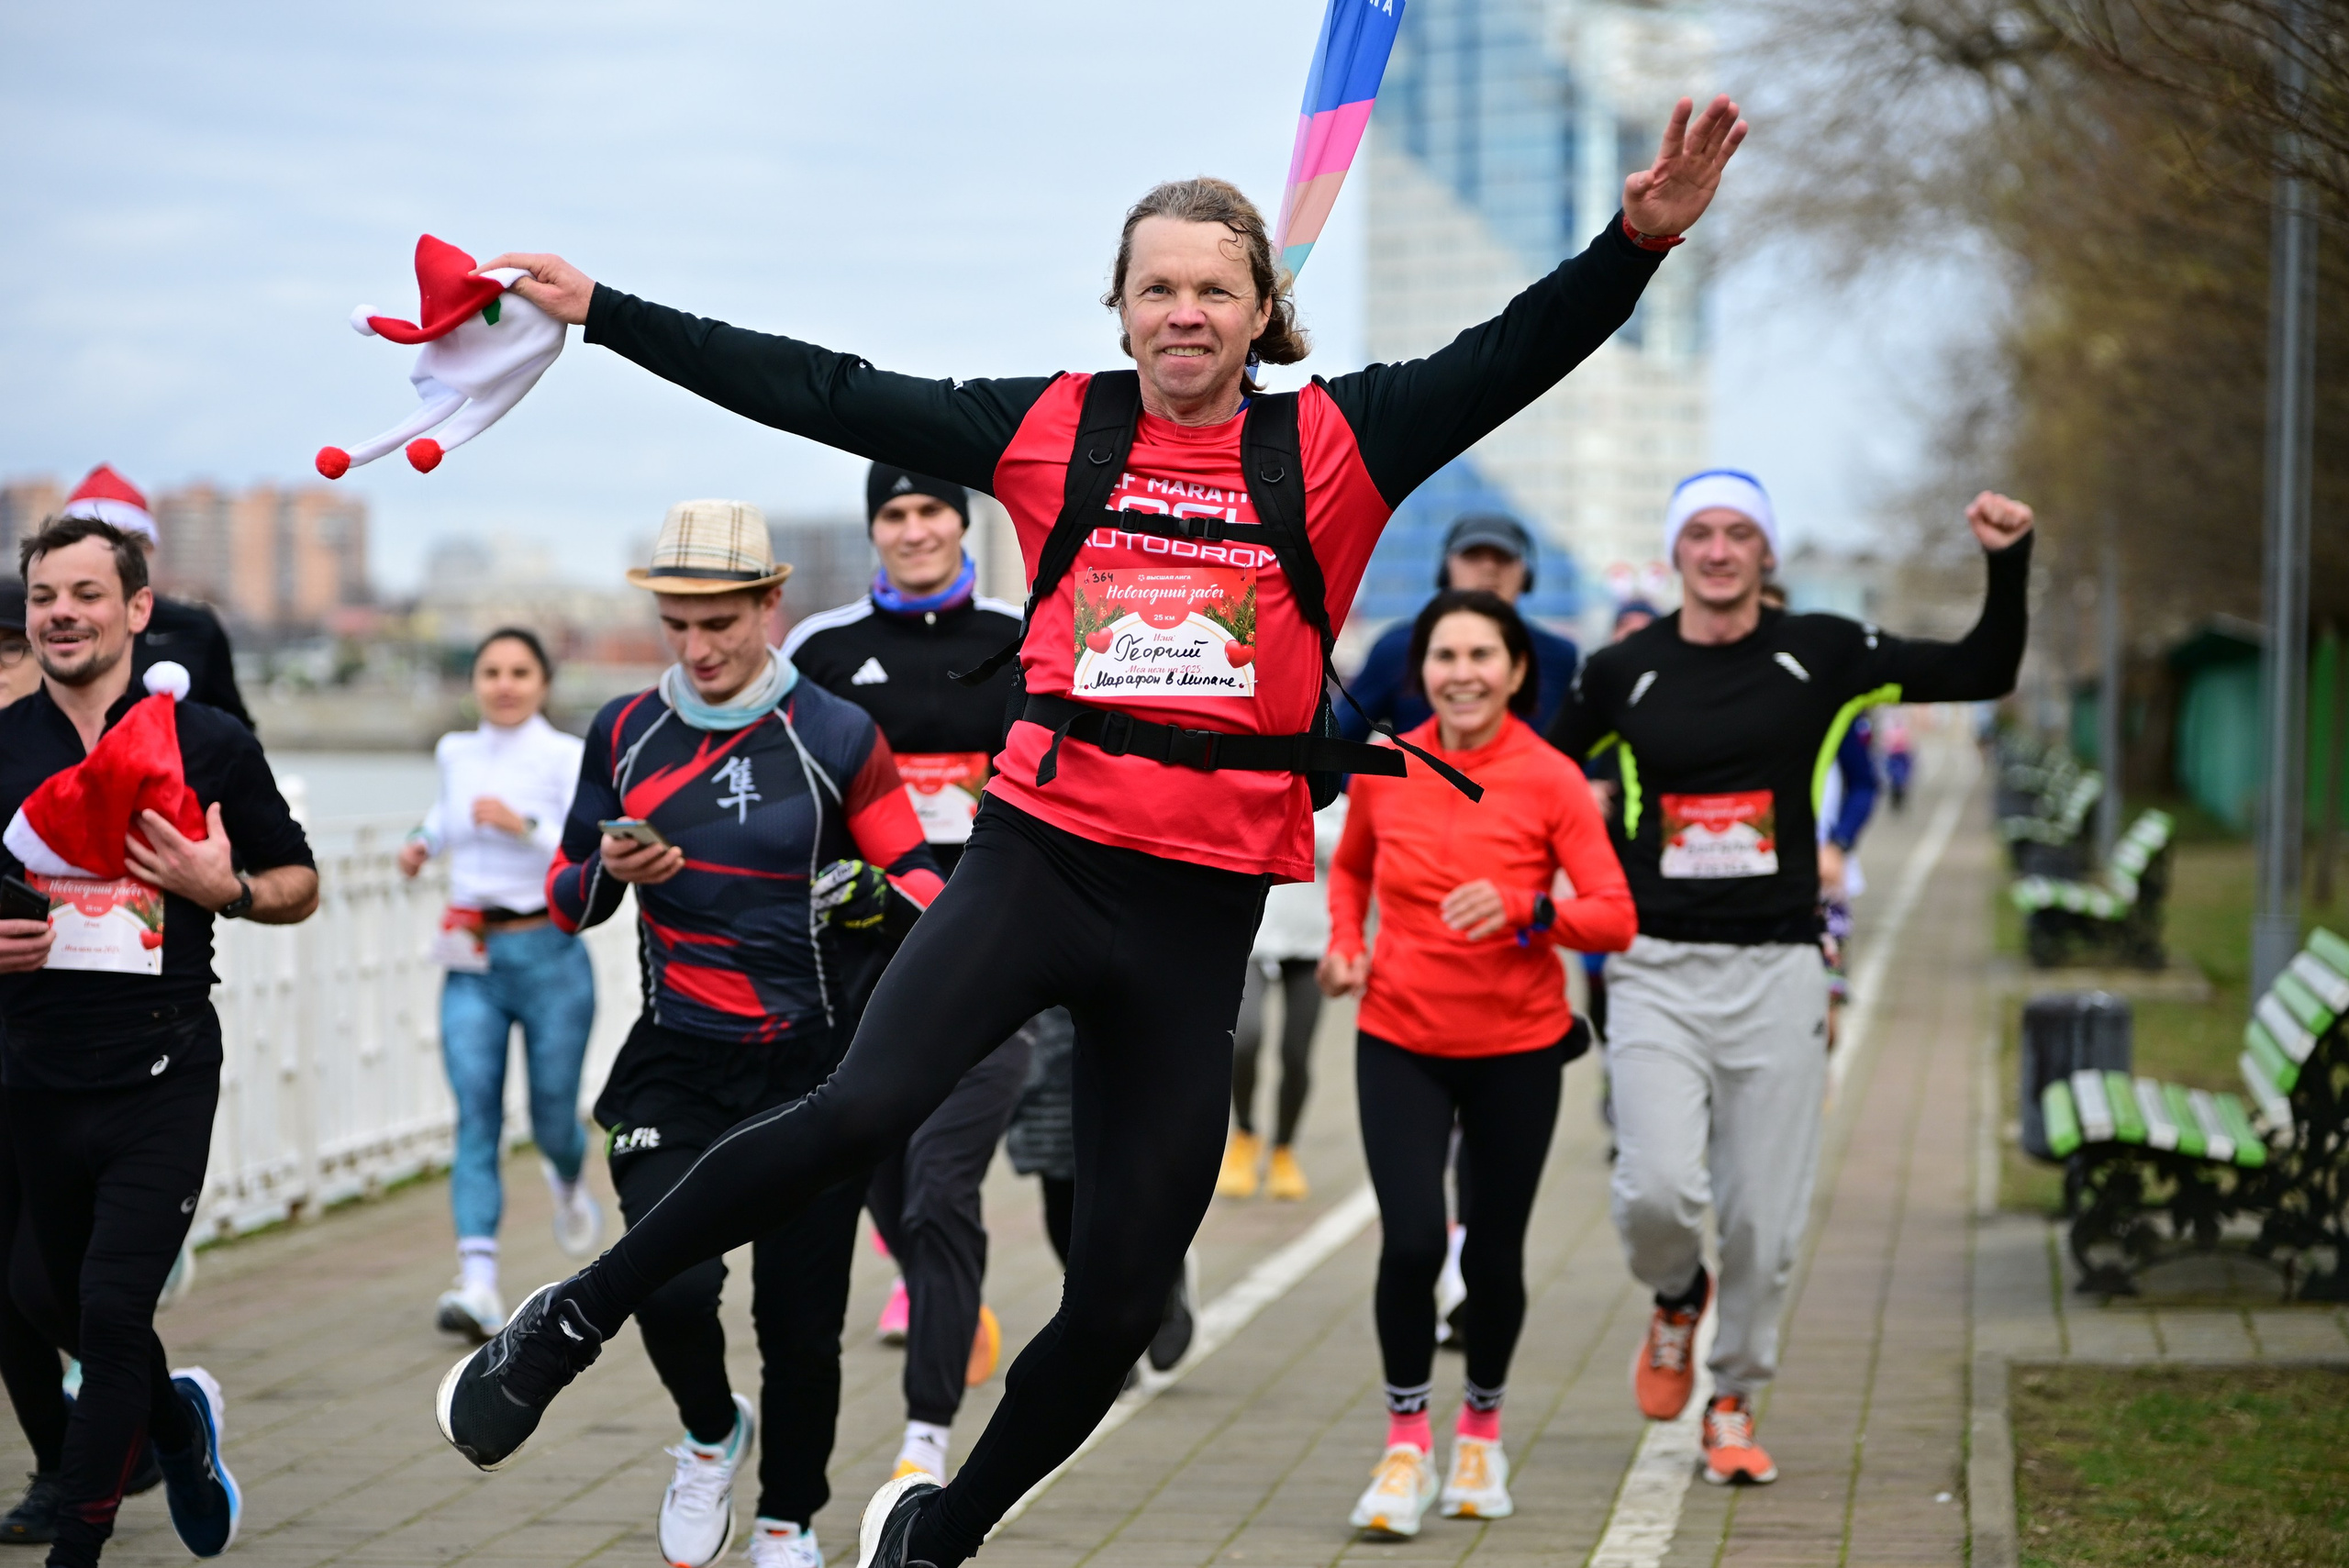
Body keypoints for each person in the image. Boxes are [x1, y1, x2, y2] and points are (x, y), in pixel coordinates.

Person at [437, 96, 1745, 1568]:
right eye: (1156, 288)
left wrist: (1639, 241)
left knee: (1125, 1297)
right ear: (1119, 310)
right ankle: (570, 1315)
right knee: (862, 1110)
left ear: (1263, 313)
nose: (1184, 314)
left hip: (1197, 917)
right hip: (1039, 863)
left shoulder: (1341, 442)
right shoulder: (1048, 426)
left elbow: (1521, 348)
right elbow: (817, 386)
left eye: (1213, 289)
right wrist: (604, 312)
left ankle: (945, 1528)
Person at [1549, 470, 2032, 1486]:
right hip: (1653, 967)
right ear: (1674, 550)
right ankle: (1677, 1294)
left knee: (1764, 1218)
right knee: (1656, 1193)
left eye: (1738, 535)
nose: (1719, 551)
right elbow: (1534, 773)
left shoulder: (1822, 651)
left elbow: (1982, 667)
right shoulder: (1617, 671)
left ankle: (1730, 1393)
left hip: (1776, 966)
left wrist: (2006, 558)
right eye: (1700, 534)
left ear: (1764, 554)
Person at [540, 504, 945, 1567]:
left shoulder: (835, 734)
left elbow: (921, 885)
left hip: (812, 1068)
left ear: (771, 604)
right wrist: (606, 872)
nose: (700, 646)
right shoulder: (624, 732)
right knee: (666, 1282)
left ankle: (786, 1519)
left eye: (721, 620)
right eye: (678, 622)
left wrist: (869, 892)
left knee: (801, 1326)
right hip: (675, 1055)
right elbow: (563, 893)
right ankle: (711, 1429)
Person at [0, 517, 319, 1567]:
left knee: (106, 1301)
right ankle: (177, 1425)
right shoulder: (4, 747)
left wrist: (220, 887)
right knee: (49, 1298)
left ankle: (77, 1546)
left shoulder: (210, 742)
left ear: (137, 609)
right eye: (46, 595)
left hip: (163, 1062)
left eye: (86, 593)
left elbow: (299, 884)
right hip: (35, 1070)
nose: (62, 613)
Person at [1320, 591, 1634, 1537]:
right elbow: (1351, 870)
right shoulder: (1387, 763)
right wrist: (1346, 940)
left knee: (1492, 1255)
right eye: (1444, 654)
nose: (1461, 671)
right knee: (1413, 1241)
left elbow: (1614, 913)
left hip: (1517, 1046)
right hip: (1400, 1035)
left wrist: (1526, 907)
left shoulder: (1550, 778)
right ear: (1421, 669)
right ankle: (1406, 1441)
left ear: (1515, 669)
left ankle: (1481, 1433)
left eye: (1481, 654)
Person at [782, 464, 1030, 1485]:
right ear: (874, 528)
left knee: (944, 1184)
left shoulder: (1021, 634)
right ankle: (947, 1296)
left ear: (961, 523)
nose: (915, 528)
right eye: (895, 513)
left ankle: (924, 1439)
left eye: (933, 510)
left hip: (997, 951)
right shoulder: (824, 650)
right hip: (860, 957)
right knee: (879, 1176)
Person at [397, 628, 600, 1340]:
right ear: (475, 681)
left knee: (552, 1115)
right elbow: (447, 816)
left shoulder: (566, 754)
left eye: (520, 671)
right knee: (475, 1113)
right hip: (472, 957)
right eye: (491, 671)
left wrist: (527, 825)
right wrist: (424, 841)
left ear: (543, 683)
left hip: (548, 948)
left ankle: (570, 1179)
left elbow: (587, 844)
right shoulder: (456, 752)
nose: (505, 683)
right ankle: (477, 1283)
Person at [1336, 513, 1579, 740]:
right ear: (1446, 568)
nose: (1489, 568)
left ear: (1526, 574)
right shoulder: (1397, 649)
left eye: (1503, 557)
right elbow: (1337, 744)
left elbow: (1585, 755)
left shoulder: (1560, 656)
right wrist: (1384, 785)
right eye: (1473, 556)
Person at [1216, 795, 1344, 1202]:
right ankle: (1247, 1133)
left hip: (1311, 945)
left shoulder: (1330, 797)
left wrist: (1301, 826)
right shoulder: (1252, 785)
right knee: (1245, 1038)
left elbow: (1350, 855)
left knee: (1295, 1053)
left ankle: (1284, 1149)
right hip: (1254, 943)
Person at [57, 467, 253, 730]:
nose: (105, 559)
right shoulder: (37, 625)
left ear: (147, 549)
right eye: (88, 544)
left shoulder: (195, 628)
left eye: (121, 546)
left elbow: (236, 736)